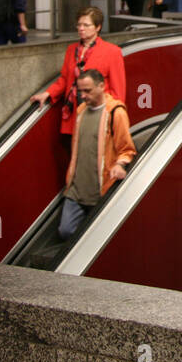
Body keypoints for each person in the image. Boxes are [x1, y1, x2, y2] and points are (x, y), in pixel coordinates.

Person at [57, 68, 135, 240]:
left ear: (101, 86)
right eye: (80, 91)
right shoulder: (81, 111)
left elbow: (127, 149)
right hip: (76, 190)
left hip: (101, 189)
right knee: (66, 231)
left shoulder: (116, 112)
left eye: (88, 90)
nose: (83, 95)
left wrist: (120, 164)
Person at [30, 7, 126, 138]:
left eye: (86, 25)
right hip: (74, 113)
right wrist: (48, 93)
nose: (81, 28)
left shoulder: (112, 52)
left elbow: (118, 91)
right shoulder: (72, 50)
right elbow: (65, 79)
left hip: (99, 114)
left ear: (97, 27)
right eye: (79, 25)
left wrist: (113, 117)